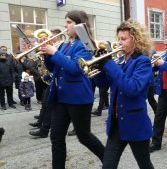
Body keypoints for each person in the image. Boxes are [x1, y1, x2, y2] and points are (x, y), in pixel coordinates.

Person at [39, 10, 105, 169]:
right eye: (65, 22)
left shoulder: (86, 44)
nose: (65, 25)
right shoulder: (65, 44)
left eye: (69, 22)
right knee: (56, 137)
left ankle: (109, 159)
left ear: (79, 24)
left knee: (84, 137)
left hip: (78, 98)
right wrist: (47, 55)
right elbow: (54, 67)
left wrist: (54, 52)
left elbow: (75, 68)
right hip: (60, 97)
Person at [94, 19, 154, 169]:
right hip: (116, 123)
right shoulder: (120, 60)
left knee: (145, 165)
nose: (120, 42)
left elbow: (132, 88)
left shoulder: (143, 62)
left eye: (124, 39)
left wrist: (110, 65)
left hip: (135, 123)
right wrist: (99, 65)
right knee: (107, 165)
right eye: (118, 39)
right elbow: (102, 84)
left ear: (135, 40)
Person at [29, 28, 65, 138]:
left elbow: (60, 63)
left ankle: (44, 129)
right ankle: (43, 126)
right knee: (46, 103)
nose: (49, 40)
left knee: (51, 106)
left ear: (58, 37)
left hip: (59, 81)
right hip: (53, 79)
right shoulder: (53, 47)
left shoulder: (61, 47)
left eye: (51, 38)